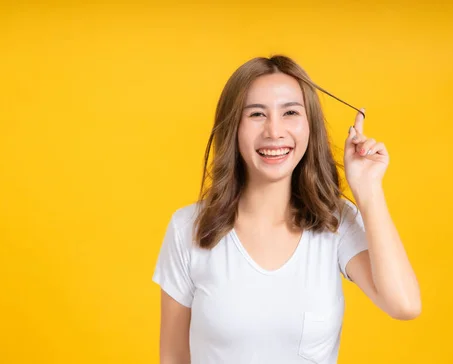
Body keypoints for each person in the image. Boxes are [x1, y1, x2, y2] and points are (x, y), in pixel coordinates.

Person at [152, 55, 421, 364]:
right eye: (256, 114)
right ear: (233, 128)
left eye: (290, 112)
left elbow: (404, 305)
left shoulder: (335, 223)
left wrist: (368, 190)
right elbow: (173, 357)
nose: (274, 131)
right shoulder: (188, 228)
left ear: (311, 127)